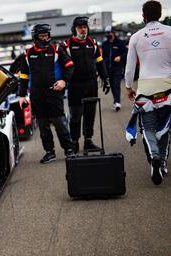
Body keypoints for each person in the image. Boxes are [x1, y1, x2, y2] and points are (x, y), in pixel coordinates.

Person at [11, 24, 75, 163]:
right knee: (43, 125)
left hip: (54, 93)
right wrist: (22, 95)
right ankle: (49, 152)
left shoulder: (57, 49)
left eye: (47, 35)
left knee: (60, 123)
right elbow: (24, 76)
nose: (45, 38)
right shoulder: (27, 54)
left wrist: (64, 80)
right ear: (35, 37)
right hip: (36, 95)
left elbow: (70, 65)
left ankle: (69, 150)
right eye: (42, 36)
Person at [125, 0, 171, 185]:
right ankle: (163, 162)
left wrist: (129, 87)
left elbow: (129, 69)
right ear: (160, 14)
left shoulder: (136, 36)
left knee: (148, 127)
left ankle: (154, 158)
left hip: (145, 89)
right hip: (167, 87)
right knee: (165, 126)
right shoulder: (170, 32)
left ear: (143, 16)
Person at [62, 16, 110, 154]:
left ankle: (88, 141)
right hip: (75, 85)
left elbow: (100, 62)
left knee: (90, 115)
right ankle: (74, 142)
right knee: (75, 116)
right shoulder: (66, 45)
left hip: (91, 84)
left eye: (85, 27)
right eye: (80, 27)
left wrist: (105, 78)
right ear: (74, 29)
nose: (83, 30)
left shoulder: (93, 43)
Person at [102, 26, 127, 111]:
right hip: (108, 69)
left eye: (109, 33)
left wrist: (120, 57)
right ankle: (115, 101)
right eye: (107, 33)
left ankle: (117, 102)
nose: (108, 34)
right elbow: (103, 56)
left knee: (116, 85)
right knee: (112, 86)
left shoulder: (120, 43)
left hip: (118, 68)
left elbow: (126, 53)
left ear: (113, 32)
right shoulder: (104, 44)